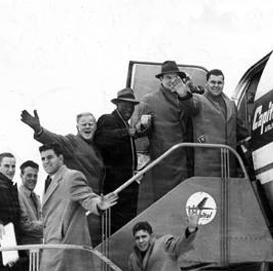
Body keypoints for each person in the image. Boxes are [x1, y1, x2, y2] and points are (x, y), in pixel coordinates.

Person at [38, 144, 117, 271]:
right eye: (43, 159)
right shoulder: (49, 180)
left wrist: (98, 205)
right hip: (51, 245)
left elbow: (87, 197)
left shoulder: (71, 176)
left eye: (50, 157)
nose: (46, 162)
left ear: (60, 158)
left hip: (63, 243)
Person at [20, 109, 105, 246]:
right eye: (84, 124)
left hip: (93, 206)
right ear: (77, 127)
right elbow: (55, 140)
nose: (88, 126)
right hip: (79, 205)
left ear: (95, 127)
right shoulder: (73, 142)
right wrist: (39, 129)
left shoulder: (96, 147)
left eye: (91, 124)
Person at [132, 60, 193, 212]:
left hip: (183, 161)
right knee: (160, 205)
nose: (172, 81)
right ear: (160, 79)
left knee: (181, 203)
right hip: (161, 161)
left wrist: (184, 94)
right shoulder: (149, 100)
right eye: (168, 78)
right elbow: (137, 131)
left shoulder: (185, 96)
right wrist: (142, 127)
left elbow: (192, 111)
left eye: (175, 78)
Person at [179, 68, 249, 176]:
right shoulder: (198, 100)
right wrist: (182, 92)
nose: (216, 85)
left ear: (223, 84)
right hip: (206, 166)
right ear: (206, 84)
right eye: (212, 82)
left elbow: (241, 132)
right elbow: (188, 105)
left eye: (219, 82)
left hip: (229, 165)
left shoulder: (231, 104)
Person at [94, 88, 140, 233]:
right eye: (125, 105)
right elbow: (101, 138)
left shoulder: (126, 124)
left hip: (127, 186)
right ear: (117, 104)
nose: (129, 109)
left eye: (132, 106)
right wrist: (126, 132)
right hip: (113, 186)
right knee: (114, 225)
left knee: (126, 224)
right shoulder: (108, 119)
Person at [18, 160, 43, 247]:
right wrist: (50, 227)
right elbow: (24, 225)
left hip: (38, 250)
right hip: (25, 251)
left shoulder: (37, 197)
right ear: (21, 176)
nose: (32, 178)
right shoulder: (17, 195)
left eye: (35, 176)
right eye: (29, 175)